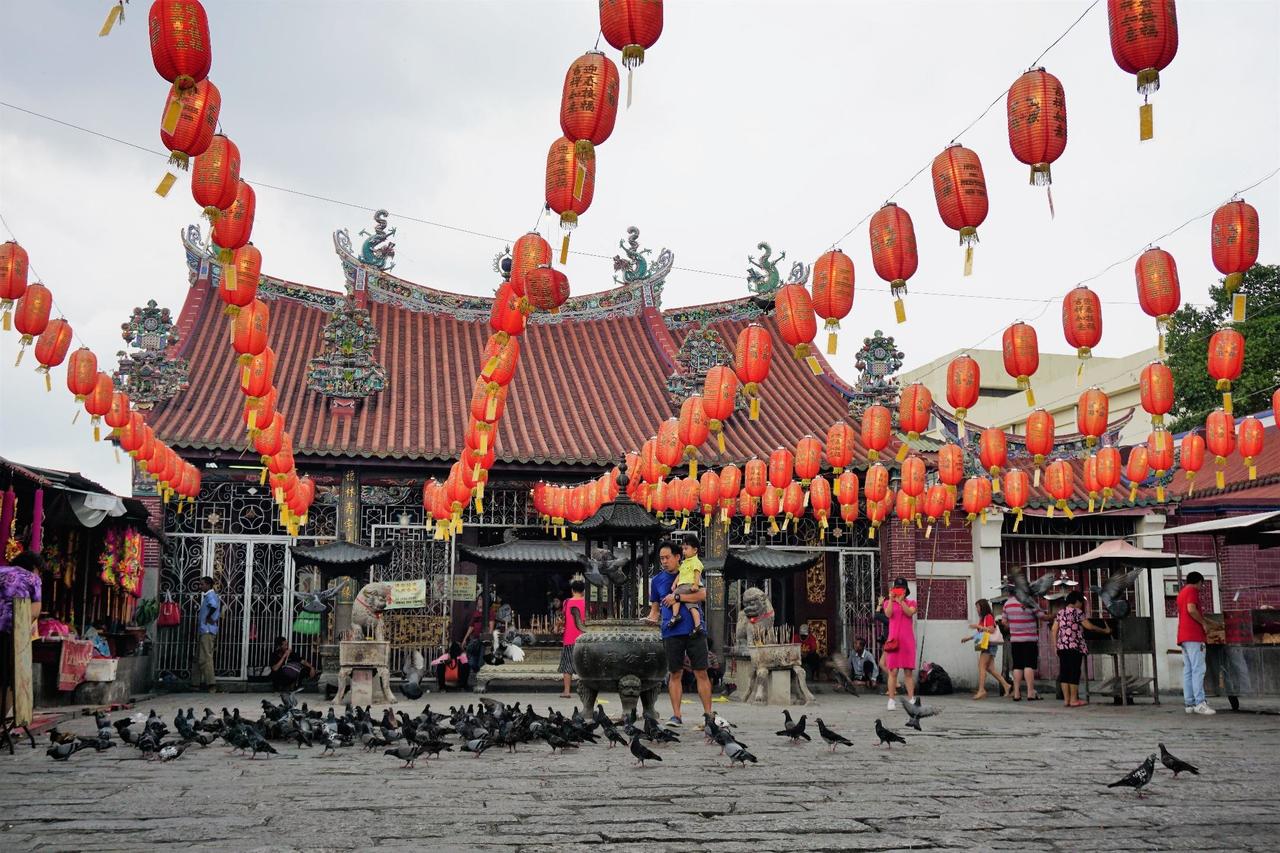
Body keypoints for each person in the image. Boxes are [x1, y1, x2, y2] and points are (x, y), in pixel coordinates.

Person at [646, 540, 712, 726]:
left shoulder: (691, 570)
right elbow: (655, 610)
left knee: (701, 672)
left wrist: (677, 597)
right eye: (661, 558)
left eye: (667, 557)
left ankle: (708, 715)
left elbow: (701, 595)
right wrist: (649, 620)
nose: (664, 561)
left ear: (678, 557)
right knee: (675, 673)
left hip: (694, 629)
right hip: (670, 631)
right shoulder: (657, 580)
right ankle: (677, 715)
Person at [1, 551, 44, 728]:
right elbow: (33, 610)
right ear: (35, 568)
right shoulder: (33, 578)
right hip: (9, 632)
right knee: (8, 678)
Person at [1051, 591, 1109, 708]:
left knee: (1064, 673)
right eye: (1081, 602)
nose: (1082, 605)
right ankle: (1074, 700)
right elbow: (1089, 626)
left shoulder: (1060, 613)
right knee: (1074, 672)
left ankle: (1066, 700)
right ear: (1076, 602)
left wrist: (1055, 645)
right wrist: (1104, 630)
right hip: (1074, 646)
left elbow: (1053, 629)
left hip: (1062, 647)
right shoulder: (1077, 612)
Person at [1177, 571, 1216, 715]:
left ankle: (1190, 703)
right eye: (1201, 584)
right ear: (1198, 581)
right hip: (1194, 635)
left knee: (1188, 670)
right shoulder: (1192, 591)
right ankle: (1200, 702)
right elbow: (1191, 609)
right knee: (1198, 669)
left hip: (1183, 635)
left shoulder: (1182, 592)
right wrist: (1204, 623)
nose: (1201, 587)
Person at [961, 598, 1010, 699]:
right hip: (986, 644)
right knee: (990, 668)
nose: (977, 609)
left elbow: (991, 630)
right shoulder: (983, 619)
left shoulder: (988, 617)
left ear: (982, 607)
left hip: (989, 644)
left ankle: (982, 690)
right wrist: (968, 638)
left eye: (978, 607)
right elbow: (980, 634)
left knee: (981, 666)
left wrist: (978, 626)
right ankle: (1006, 685)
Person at [882, 578, 918, 711]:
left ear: (906, 590)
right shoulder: (887, 602)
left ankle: (911, 698)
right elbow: (888, 614)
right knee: (893, 671)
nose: (899, 590)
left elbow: (909, 612)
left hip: (907, 641)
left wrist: (901, 601)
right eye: (897, 588)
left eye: (901, 588)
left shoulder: (911, 602)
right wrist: (892, 600)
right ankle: (891, 700)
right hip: (893, 641)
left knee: (908, 671)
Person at [1000, 592, 1043, 701]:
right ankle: (1030, 692)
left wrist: (1014, 625)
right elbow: (1041, 616)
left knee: (1017, 666)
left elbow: (1004, 621)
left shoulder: (1007, 603)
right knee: (1029, 665)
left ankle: (1017, 693)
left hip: (1015, 640)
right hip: (1030, 639)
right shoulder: (1029, 602)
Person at [666, 535, 705, 637]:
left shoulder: (696, 562)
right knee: (692, 606)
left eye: (686, 549)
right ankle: (698, 625)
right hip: (686, 586)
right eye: (683, 549)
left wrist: (696, 584)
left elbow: (697, 573)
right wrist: (674, 583)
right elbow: (680, 574)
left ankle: (675, 615)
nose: (683, 551)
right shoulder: (684, 563)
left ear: (695, 550)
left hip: (688, 585)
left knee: (675, 596)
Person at [560, 579, 586, 698]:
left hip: (569, 638)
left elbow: (563, 619)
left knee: (567, 665)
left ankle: (566, 691)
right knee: (585, 665)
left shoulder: (567, 603)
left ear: (572, 590)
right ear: (583, 591)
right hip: (584, 639)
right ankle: (586, 691)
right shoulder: (587, 603)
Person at [193, 577, 221, 693]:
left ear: (209, 585)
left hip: (207, 630)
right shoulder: (209, 596)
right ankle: (195, 683)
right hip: (204, 630)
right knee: (199, 657)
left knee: (206, 657)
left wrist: (209, 617)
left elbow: (214, 606)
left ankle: (211, 684)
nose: (201, 586)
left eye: (202, 584)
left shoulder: (210, 595)